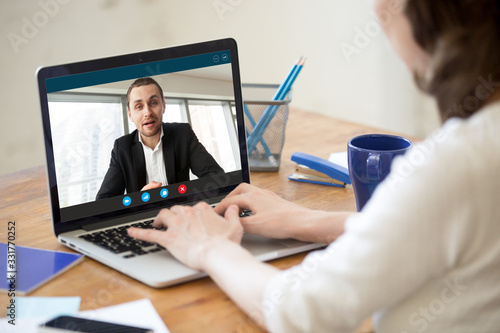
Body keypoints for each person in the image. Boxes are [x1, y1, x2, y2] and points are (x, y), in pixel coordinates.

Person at [128, 1, 500, 332]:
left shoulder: (458, 164)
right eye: (139, 106)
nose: (376, 10)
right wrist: (311, 221)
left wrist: (211, 248)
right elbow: (439, 227)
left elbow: (301, 313)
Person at [96, 77, 224, 199]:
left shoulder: (183, 133)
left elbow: (216, 176)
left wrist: (189, 198)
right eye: (139, 106)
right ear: (130, 115)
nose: (147, 113)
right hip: (141, 215)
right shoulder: (122, 148)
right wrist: (138, 200)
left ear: (163, 106)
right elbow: (103, 201)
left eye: (153, 103)